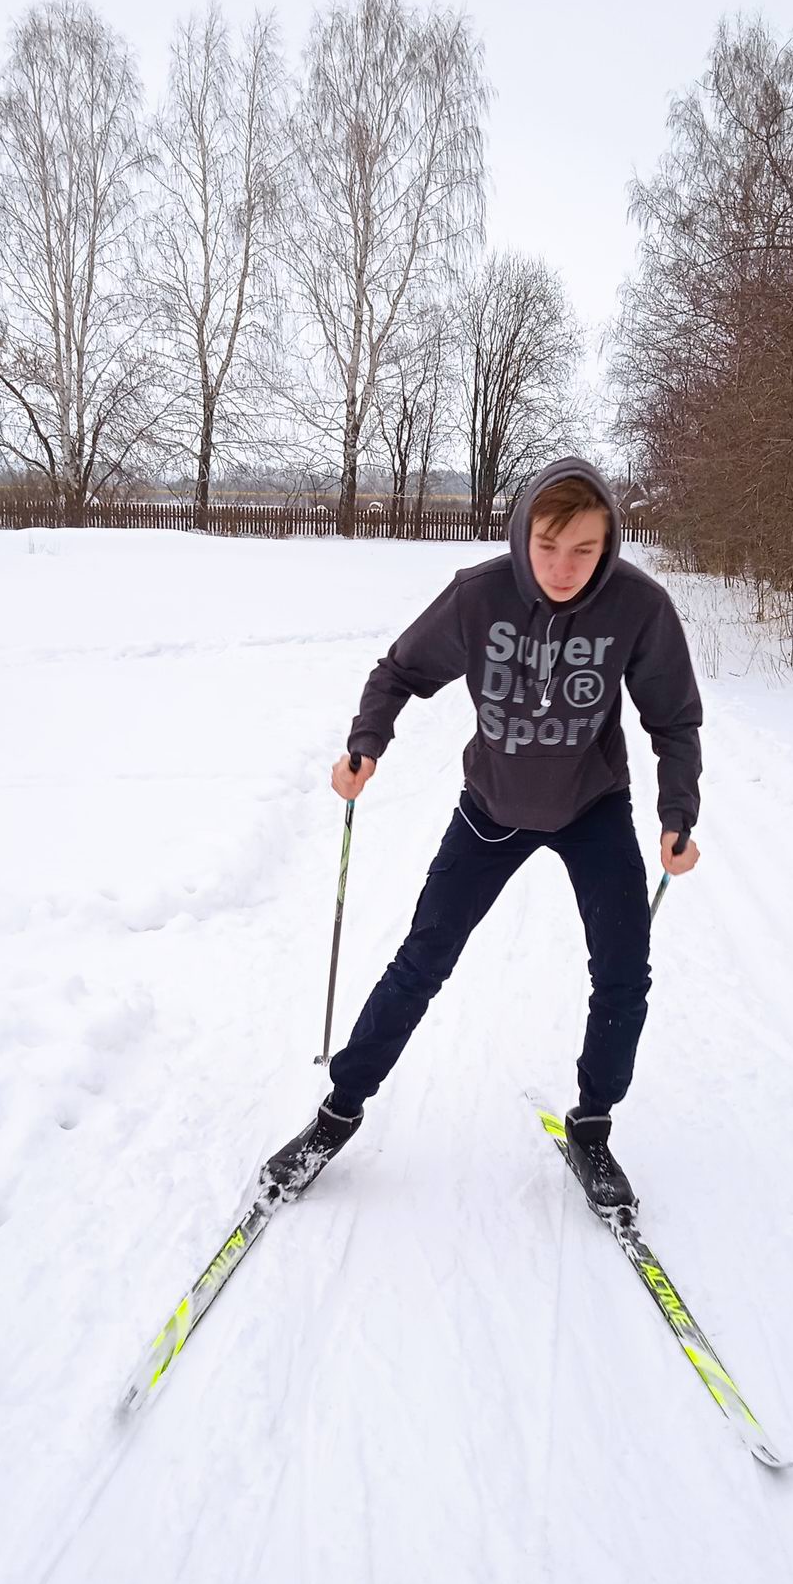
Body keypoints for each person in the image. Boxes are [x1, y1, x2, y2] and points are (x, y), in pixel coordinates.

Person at [264, 456, 702, 1211]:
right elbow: (398, 671)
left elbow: (675, 720)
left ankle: (593, 1126)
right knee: (422, 960)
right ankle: (337, 1112)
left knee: (624, 972)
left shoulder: (639, 605)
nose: (563, 568)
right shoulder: (480, 596)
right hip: (492, 806)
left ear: (608, 543)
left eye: (584, 549)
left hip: (592, 806)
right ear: (523, 532)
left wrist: (677, 815)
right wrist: (367, 744)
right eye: (548, 545)